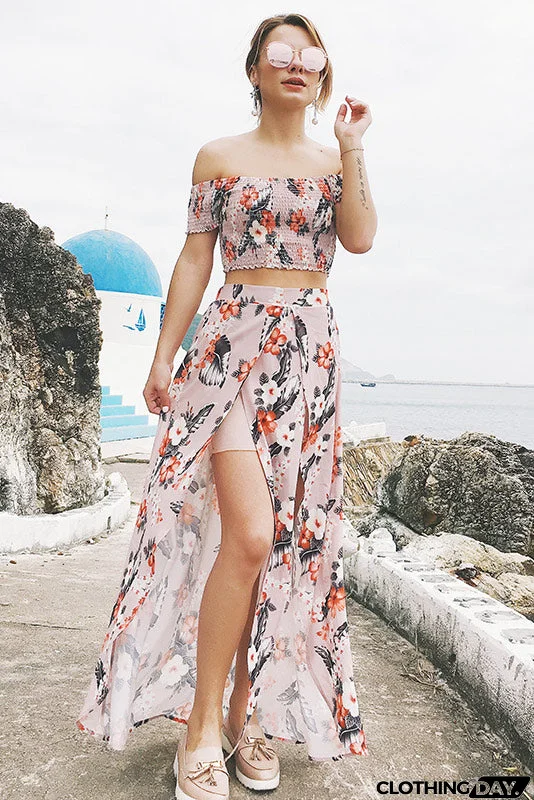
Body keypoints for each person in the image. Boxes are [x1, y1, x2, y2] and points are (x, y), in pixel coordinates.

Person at [76, 12, 377, 800]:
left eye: (311, 55)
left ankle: (250, 717)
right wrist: (162, 354)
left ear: (322, 73)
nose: (296, 64)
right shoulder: (218, 156)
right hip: (227, 352)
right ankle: (201, 728)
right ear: (254, 69)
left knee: (281, 549)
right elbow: (193, 258)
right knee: (249, 533)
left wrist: (353, 148)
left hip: (307, 359)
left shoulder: (332, 160)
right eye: (280, 52)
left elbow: (359, 239)